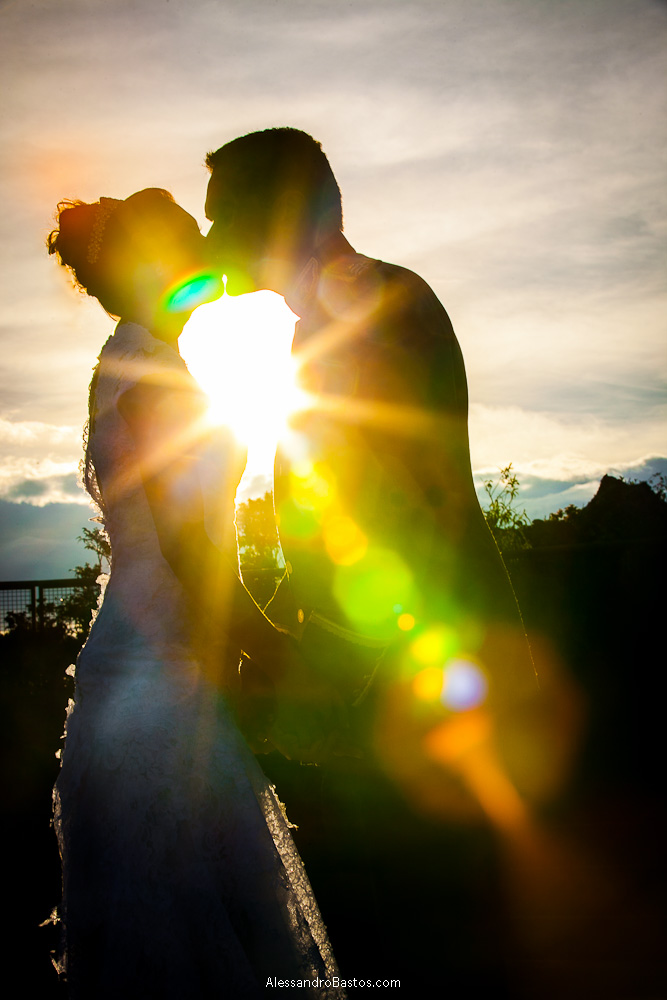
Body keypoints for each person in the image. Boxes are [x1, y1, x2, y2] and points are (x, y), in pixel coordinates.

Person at [202, 128, 537, 988]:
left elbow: (404, 512)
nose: (211, 240)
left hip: (424, 682)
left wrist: (324, 666)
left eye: (221, 217)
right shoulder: (334, 315)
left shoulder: (378, 308)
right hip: (397, 676)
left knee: (440, 942)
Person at [47, 188, 345, 999]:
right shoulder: (153, 379)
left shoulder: (129, 363)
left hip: (137, 673)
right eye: (189, 237)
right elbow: (189, 552)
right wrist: (277, 654)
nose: (208, 249)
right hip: (160, 692)